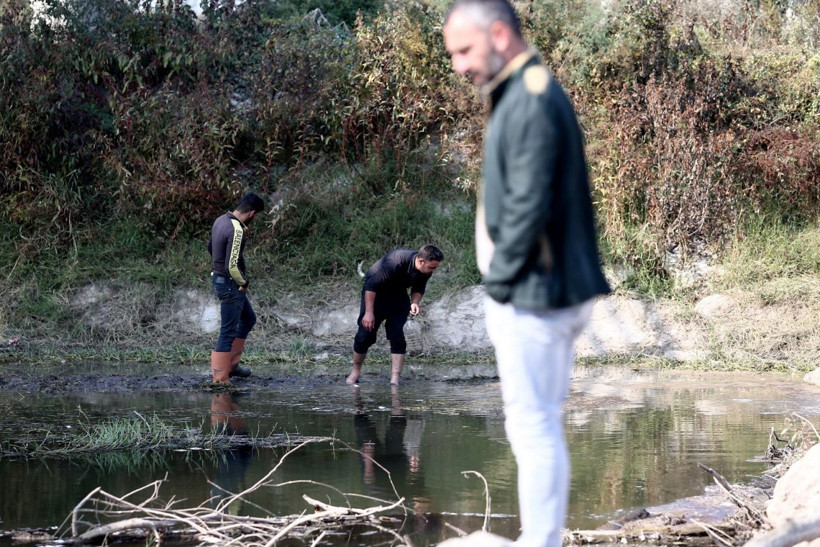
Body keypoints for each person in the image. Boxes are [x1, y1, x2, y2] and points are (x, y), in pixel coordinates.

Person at [443, 2, 611, 546]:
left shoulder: (532, 97)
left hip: (535, 293)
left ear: (498, 34)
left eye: (463, 50)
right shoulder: (523, 90)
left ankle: (542, 542)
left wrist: (500, 284)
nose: (458, 65)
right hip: (540, 288)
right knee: (540, 424)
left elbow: (528, 204)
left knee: (532, 426)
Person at [346, 245, 444, 386]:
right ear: (421, 261)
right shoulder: (395, 261)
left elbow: (419, 287)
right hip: (376, 295)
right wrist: (368, 313)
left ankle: (395, 380)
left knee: (397, 335)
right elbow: (371, 286)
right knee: (364, 335)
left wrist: (415, 302)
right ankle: (355, 372)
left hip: (398, 295)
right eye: (432, 268)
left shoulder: (426, 268)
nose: (433, 271)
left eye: (435, 268)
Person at [208, 192, 265, 383]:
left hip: (219, 279)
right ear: (252, 213)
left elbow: (210, 247)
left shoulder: (220, 220)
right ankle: (220, 378)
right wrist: (243, 282)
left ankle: (231, 366)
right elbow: (231, 266)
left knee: (248, 318)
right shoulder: (236, 229)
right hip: (230, 284)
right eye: (256, 217)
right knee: (227, 331)